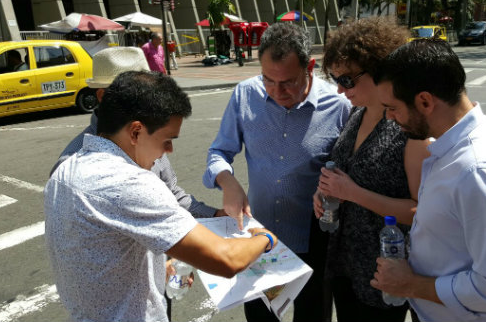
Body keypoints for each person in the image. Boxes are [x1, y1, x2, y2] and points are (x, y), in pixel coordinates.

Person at [45, 70, 278, 322]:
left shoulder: (66, 168)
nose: (169, 150)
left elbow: (100, 253)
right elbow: (227, 259)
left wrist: (158, 267)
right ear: (135, 132)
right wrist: (265, 238)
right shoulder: (129, 182)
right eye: (166, 140)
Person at [49, 47, 223, 321]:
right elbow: (82, 256)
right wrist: (266, 239)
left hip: (150, 290)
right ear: (104, 96)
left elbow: (171, 193)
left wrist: (213, 216)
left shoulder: (149, 137)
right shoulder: (76, 164)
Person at [369, 39, 486, 322]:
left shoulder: (482, 171)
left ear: (424, 101)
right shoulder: (454, 147)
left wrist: (411, 284)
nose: (388, 117)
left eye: (393, 107)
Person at [203, 22, 351, 322]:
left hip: (315, 240)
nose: (276, 91)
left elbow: (348, 171)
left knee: (312, 314)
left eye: (287, 82)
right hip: (260, 237)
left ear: (309, 66)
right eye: (268, 80)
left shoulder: (339, 106)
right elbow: (219, 151)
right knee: (260, 316)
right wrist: (227, 180)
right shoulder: (246, 94)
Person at [314, 16, 430, 322]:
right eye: (335, 79)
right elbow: (343, 175)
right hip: (343, 262)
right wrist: (324, 194)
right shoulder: (356, 114)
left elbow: (421, 211)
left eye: (348, 80)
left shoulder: (408, 127)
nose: (340, 90)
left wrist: (351, 193)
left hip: (383, 273)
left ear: (378, 68)